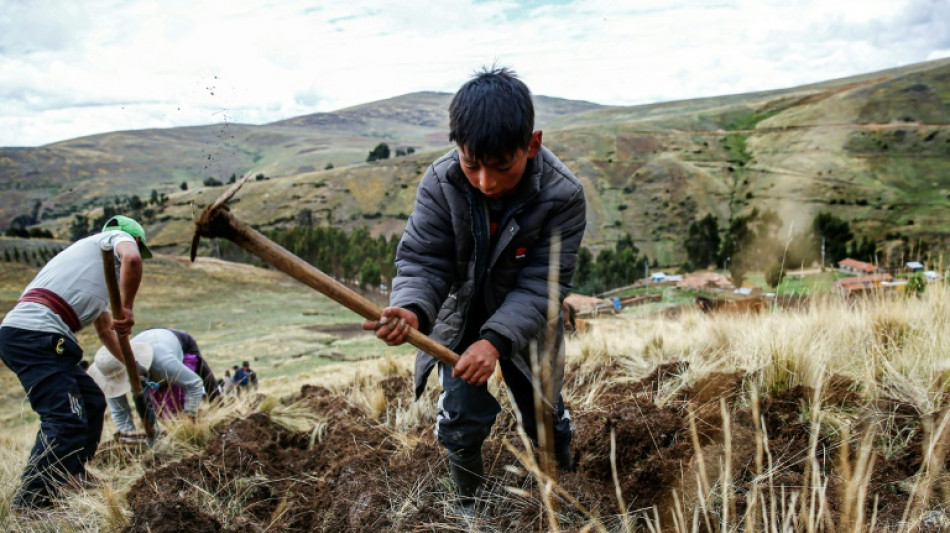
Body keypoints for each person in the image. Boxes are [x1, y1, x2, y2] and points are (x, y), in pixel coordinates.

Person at [362, 67, 586, 509]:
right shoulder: (441, 182)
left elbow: (543, 284)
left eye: (502, 167)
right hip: (460, 316)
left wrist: (496, 342)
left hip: (527, 320)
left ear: (532, 144)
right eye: (471, 165)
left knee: (543, 409)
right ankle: (469, 507)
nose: (485, 182)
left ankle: (564, 486)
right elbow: (424, 260)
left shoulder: (563, 195)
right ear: (457, 149)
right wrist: (411, 308)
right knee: (460, 417)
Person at [0, 215, 150, 509]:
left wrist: (134, 368)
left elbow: (105, 331)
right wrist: (128, 307)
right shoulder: (112, 239)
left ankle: (72, 473)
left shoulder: (95, 276)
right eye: (139, 248)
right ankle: (31, 502)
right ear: (134, 240)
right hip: (36, 334)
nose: (137, 255)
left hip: (37, 336)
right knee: (64, 420)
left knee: (92, 400)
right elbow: (132, 258)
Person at [88, 328, 217, 434]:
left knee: (175, 409)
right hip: (147, 344)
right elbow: (120, 413)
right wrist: (130, 438)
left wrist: (189, 419)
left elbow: (194, 384)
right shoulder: (109, 368)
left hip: (174, 343)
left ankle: (218, 402)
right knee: (160, 413)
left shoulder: (162, 362)